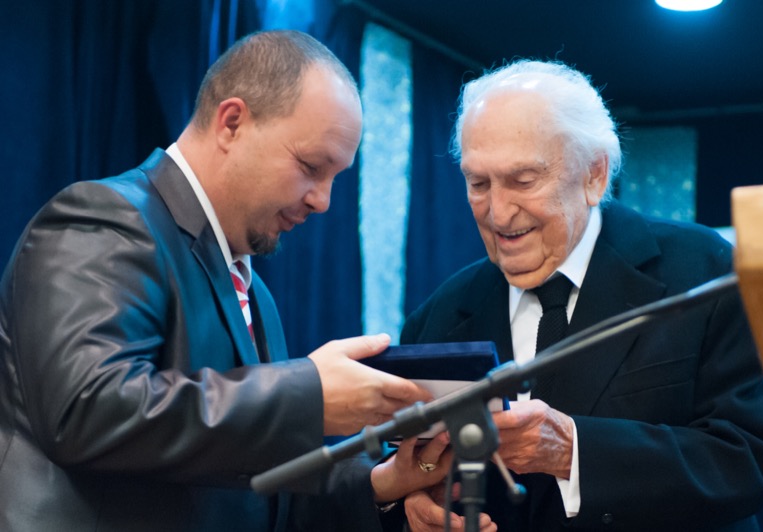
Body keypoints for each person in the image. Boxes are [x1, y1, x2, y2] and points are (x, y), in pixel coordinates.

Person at [0, 30, 450, 532]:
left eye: (334, 178)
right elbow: (86, 411)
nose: (322, 200)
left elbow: (256, 495)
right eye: (310, 167)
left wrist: (380, 482)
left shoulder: (257, 294)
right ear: (231, 123)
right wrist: (307, 395)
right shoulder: (105, 218)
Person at [396, 60, 763, 531]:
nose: (497, 213)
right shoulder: (437, 316)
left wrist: (574, 451)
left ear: (594, 175)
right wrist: (413, 503)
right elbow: (408, 460)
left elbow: (747, 460)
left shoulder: (706, 272)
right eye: (478, 184)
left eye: (523, 181)